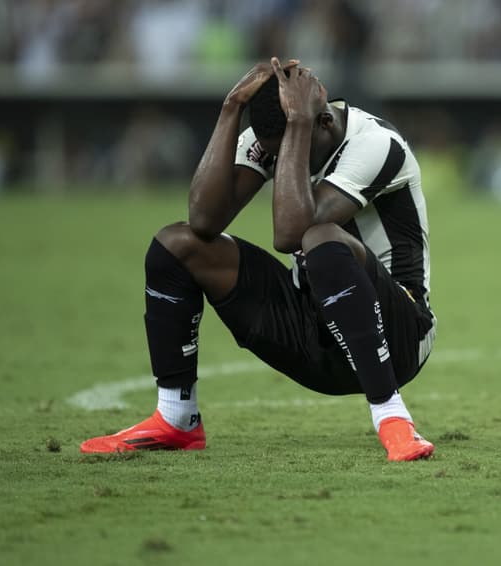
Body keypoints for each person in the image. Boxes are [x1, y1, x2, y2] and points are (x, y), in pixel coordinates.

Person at [80, 58, 437, 461]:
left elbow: (291, 234)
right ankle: (176, 417)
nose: (288, 162)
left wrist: (296, 131)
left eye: (296, 149)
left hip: (399, 336)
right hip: (314, 332)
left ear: (322, 124)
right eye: (279, 154)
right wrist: (231, 107)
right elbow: (204, 218)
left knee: (320, 238)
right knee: (176, 244)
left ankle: (393, 419)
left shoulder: (375, 144)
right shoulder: (279, 133)